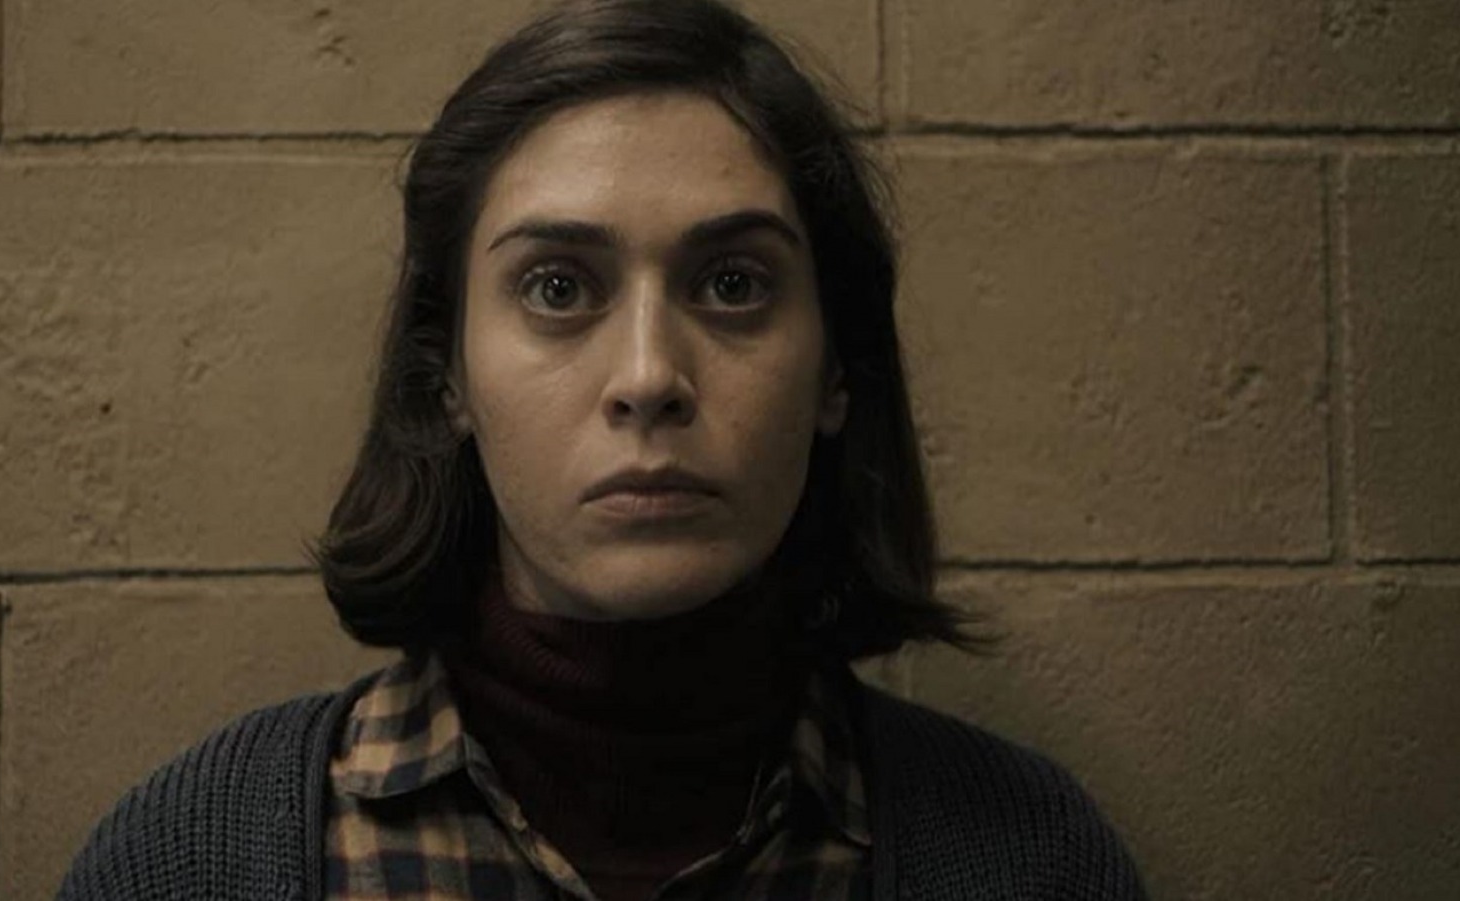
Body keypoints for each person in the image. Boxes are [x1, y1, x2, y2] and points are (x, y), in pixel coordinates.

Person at [58, 1, 1147, 898]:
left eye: (733, 284)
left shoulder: (1027, 863)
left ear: (836, 372)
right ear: (447, 376)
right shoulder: (190, 865)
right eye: (556, 287)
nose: (647, 376)